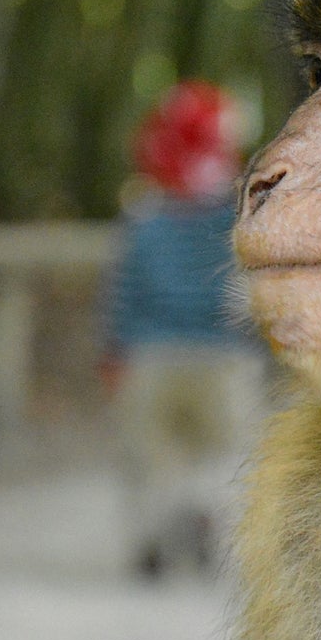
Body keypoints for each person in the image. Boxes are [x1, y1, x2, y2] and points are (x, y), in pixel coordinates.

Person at [99, 80, 266, 577]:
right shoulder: (237, 220)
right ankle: (204, 514)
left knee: (151, 456)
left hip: (150, 359)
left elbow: (123, 295)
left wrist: (114, 352)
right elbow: (251, 292)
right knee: (224, 450)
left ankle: (153, 532)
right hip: (225, 358)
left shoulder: (143, 219)